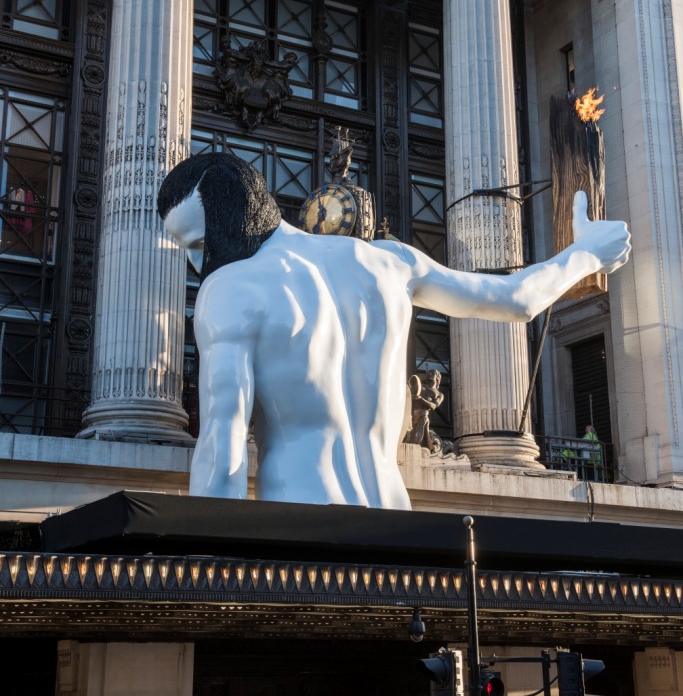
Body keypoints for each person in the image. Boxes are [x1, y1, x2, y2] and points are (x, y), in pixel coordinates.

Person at [158, 152, 631, 511]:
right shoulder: (390, 262)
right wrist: (586, 254)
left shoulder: (230, 288)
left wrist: (211, 567)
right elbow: (517, 300)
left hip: (300, 522)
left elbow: (222, 447)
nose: (197, 264)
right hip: (394, 518)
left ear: (233, 217)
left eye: (200, 244)